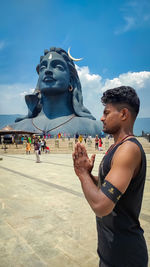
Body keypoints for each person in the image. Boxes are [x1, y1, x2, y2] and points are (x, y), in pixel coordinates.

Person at [72, 86, 148, 267]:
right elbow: (106, 189)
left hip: (125, 255)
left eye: (106, 112)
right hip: (111, 250)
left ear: (123, 114)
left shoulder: (128, 149)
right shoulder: (116, 147)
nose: (101, 118)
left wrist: (82, 174)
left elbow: (101, 205)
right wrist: (88, 175)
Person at [10, 47, 101, 136]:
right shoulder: (14, 128)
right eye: (43, 68)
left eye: (58, 67)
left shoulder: (96, 127)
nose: (47, 71)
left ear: (71, 80)